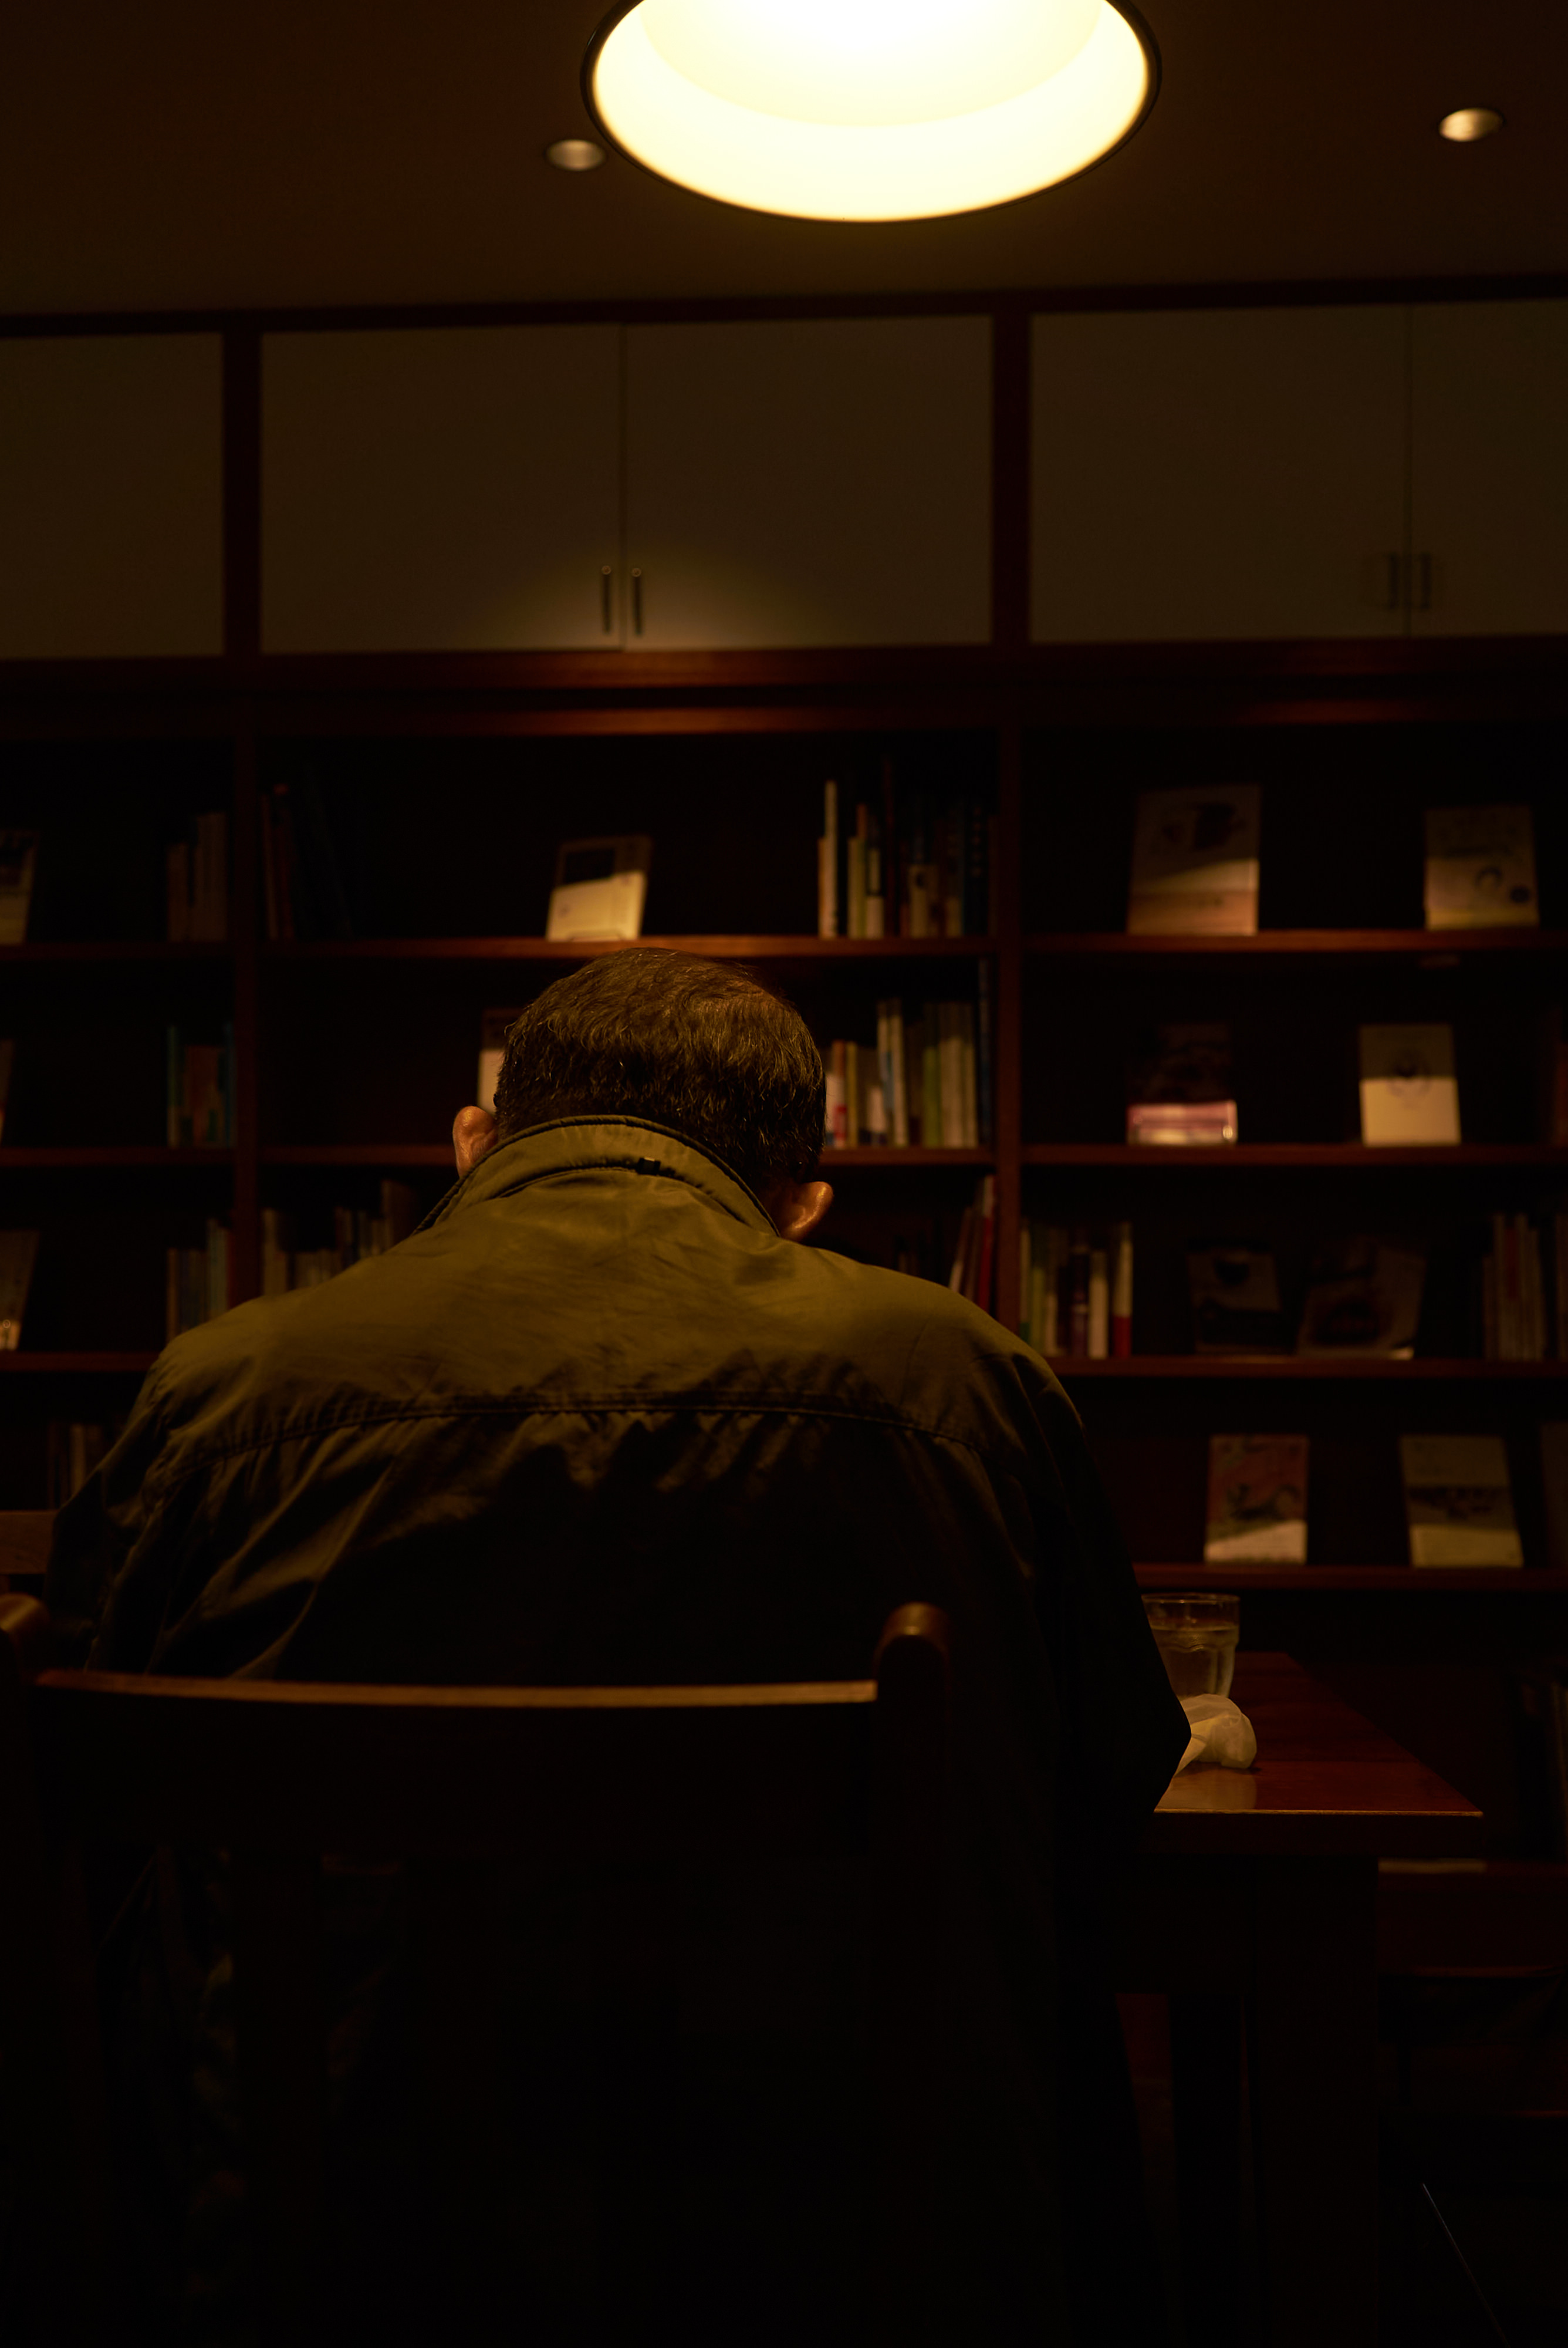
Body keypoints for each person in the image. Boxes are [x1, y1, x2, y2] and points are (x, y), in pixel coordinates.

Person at [45, 946, 1187, 2344]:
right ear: (801, 1200)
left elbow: (81, 1807)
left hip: (322, 2232)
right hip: (844, 2236)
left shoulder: (227, 1388)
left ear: (475, 1140)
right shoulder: (965, 1380)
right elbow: (1108, 1780)